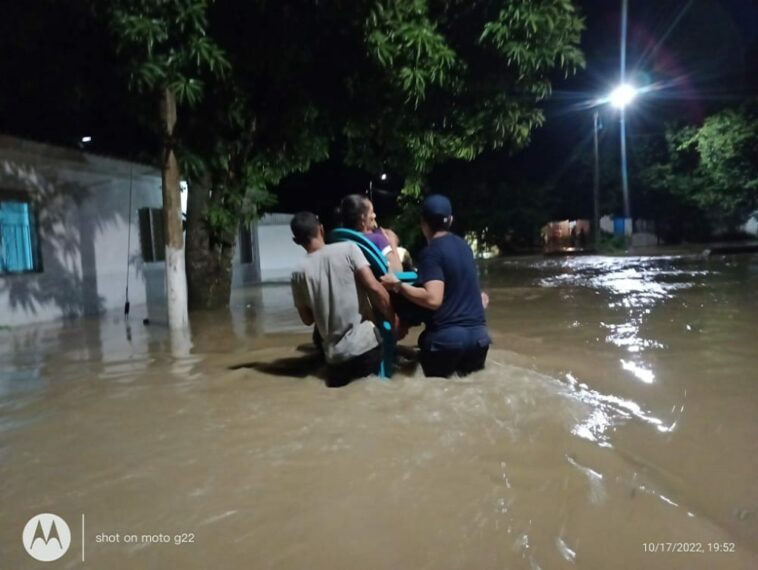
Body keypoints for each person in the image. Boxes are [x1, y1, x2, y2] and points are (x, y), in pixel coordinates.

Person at [380, 194, 491, 378]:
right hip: (479, 341)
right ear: (451, 220)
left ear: (423, 223)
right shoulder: (465, 247)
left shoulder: (432, 252)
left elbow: (433, 299)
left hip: (448, 344)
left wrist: (398, 285)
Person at [290, 212, 396, 387]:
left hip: (336, 358)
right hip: (366, 346)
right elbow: (374, 288)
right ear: (321, 229)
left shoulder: (297, 273)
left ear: (297, 241)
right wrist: (392, 318)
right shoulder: (348, 249)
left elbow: (307, 320)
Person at [339, 194, 405, 272]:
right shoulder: (377, 239)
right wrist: (392, 242)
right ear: (362, 219)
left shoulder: (341, 239)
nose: (374, 215)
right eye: (371, 212)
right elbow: (397, 270)